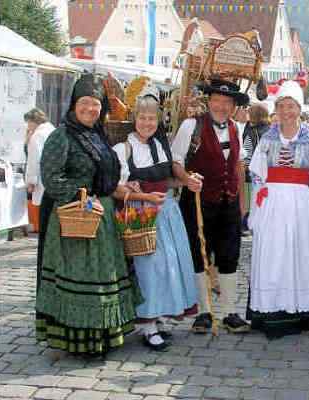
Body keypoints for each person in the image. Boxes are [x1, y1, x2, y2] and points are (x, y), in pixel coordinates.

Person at [34, 74, 142, 357]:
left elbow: (103, 177)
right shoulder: (62, 136)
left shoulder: (99, 135)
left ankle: (103, 336)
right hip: (76, 219)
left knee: (104, 276)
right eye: (84, 103)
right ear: (73, 105)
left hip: (102, 218)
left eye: (95, 104)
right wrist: (83, 196)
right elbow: (51, 178)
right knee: (83, 278)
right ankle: (81, 341)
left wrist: (119, 187)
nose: (90, 109)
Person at [112, 90, 199, 352]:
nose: (147, 123)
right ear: (134, 118)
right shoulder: (122, 148)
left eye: (152, 118)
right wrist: (142, 195)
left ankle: (159, 316)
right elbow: (116, 187)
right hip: (142, 214)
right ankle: (147, 325)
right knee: (148, 268)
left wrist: (188, 180)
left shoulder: (161, 146)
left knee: (168, 265)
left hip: (166, 210)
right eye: (142, 117)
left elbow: (166, 179)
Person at [246, 80, 309, 339]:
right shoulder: (267, 140)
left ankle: (301, 313)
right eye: (281, 106)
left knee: (297, 252)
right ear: (275, 109)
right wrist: (257, 209)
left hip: (300, 205)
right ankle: (272, 313)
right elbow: (258, 176)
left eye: (291, 106)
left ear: (299, 109)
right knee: (274, 253)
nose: (286, 111)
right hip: (272, 202)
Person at [171, 77, 251, 334]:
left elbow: (238, 166)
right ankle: (204, 312)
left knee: (229, 255)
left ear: (233, 105)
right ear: (209, 101)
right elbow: (176, 162)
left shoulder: (237, 128)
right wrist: (186, 179)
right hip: (198, 201)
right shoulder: (191, 126)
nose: (222, 106)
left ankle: (229, 312)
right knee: (199, 254)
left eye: (227, 102)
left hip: (228, 202)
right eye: (217, 100)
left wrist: (241, 203)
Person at [25, 108, 56, 233]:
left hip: (43, 178)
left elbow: (34, 159)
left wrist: (31, 181)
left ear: (33, 121)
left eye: (28, 122)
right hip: (55, 177)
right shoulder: (53, 131)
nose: (27, 126)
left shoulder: (37, 136)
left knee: (43, 210)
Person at [242, 103, 271, 232]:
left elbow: (246, 155)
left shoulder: (251, 132)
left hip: (252, 175)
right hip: (270, 175)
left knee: (252, 203)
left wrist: (243, 171)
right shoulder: (272, 130)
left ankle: (249, 225)